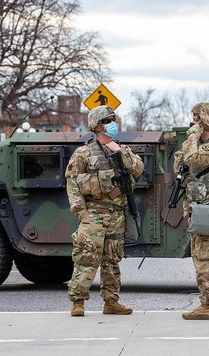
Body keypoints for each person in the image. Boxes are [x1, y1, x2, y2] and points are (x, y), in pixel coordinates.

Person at [65, 105, 144, 317]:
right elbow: (72, 184)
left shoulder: (122, 150)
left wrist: (119, 151)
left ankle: (111, 301)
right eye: (108, 121)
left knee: (112, 260)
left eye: (112, 120)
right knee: (86, 257)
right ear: (97, 125)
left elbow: (138, 168)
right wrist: (80, 212)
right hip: (93, 212)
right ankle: (78, 301)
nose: (112, 124)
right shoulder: (83, 153)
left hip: (117, 213)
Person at [174, 102, 209, 320]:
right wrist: (193, 140)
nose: (193, 122)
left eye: (197, 118)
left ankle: (207, 305)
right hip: (200, 207)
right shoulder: (198, 144)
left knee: (204, 257)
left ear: (206, 120)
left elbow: (192, 159)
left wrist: (191, 138)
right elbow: (179, 165)